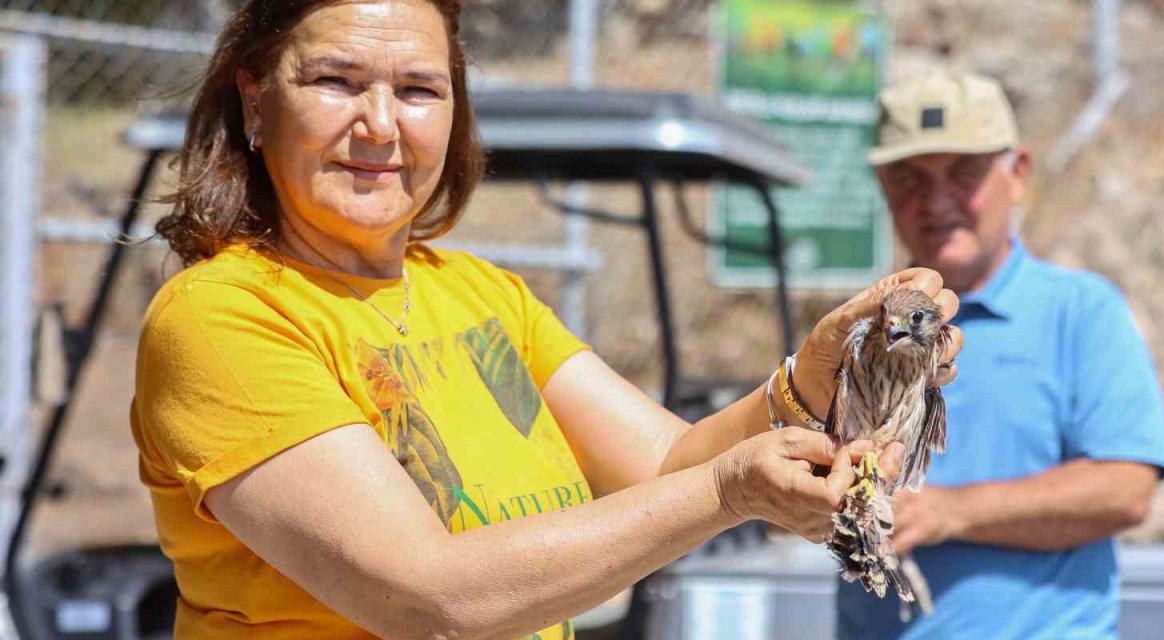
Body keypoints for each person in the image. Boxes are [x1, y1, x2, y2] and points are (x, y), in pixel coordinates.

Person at [128, 1, 965, 639]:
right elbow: (426, 595)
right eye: (336, 81)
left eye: (418, 90)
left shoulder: (481, 296)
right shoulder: (223, 319)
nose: (379, 125)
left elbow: (665, 464)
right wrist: (728, 491)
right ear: (254, 101)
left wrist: (812, 377)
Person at [837, 69, 1164, 639]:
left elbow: (1126, 488)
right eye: (908, 179)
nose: (936, 201)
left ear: (1017, 173)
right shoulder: (856, 327)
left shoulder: (1082, 311)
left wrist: (947, 512)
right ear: (882, 187)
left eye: (964, 174)